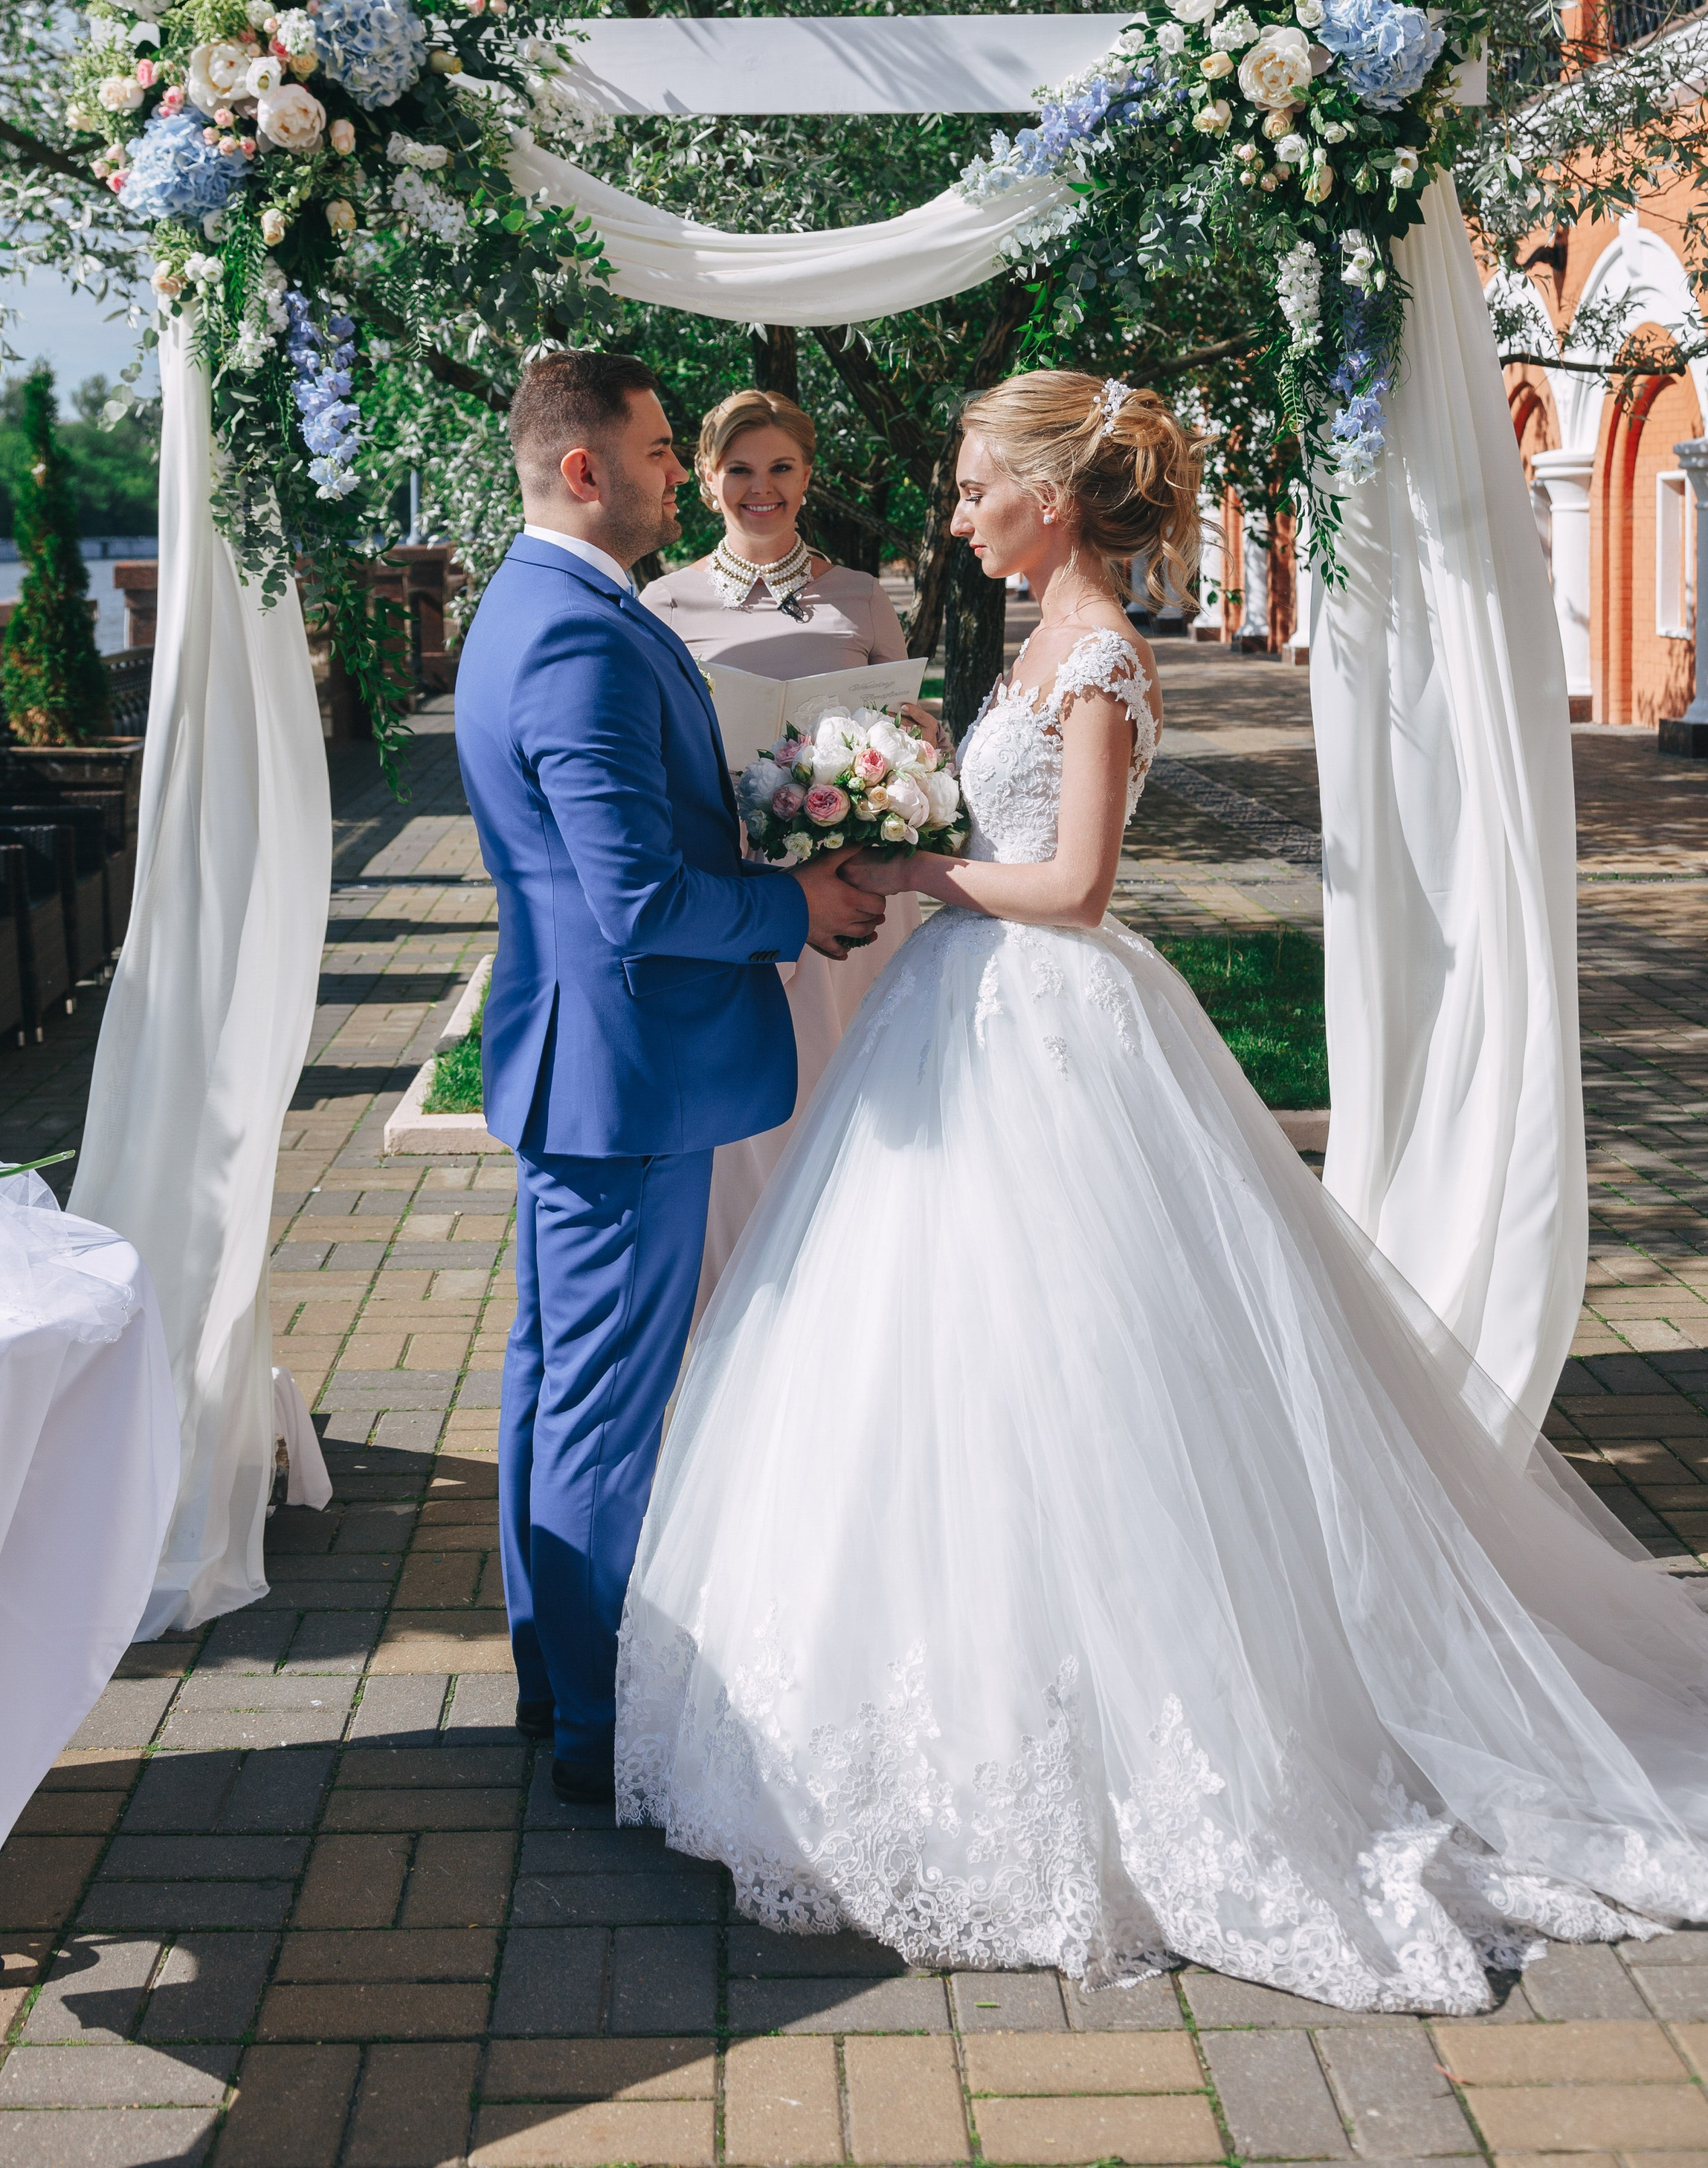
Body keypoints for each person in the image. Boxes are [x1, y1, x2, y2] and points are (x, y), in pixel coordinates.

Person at [616, 367, 1708, 2010]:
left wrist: (915, 865)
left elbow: (1071, 884)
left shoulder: (1103, 656)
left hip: (1046, 1020)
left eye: (981, 482)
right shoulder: (1027, 646)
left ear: (1052, 496)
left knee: (1092, 1360)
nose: (962, 506)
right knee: (939, 1362)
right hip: (962, 1016)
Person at [453, 350, 884, 1803]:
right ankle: (595, 1720)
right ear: (585, 470)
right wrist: (797, 912)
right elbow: (634, 895)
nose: (667, 473)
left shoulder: (539, 602)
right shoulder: (575, 632)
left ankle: (547, 1674)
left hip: (580, 1055)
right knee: (599, 1406)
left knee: (548, 1383)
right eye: (650, 452)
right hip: (623, 1073)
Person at [640, 388, 923, 1310]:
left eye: (781, 469)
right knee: (750, 1107)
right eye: (739, 470)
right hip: (732, 885)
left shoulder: (860, 594)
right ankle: (749, 1301)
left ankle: (853, 1291)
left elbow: (905, 723)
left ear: (807, 475)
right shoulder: (662, 599)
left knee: (854, 1087)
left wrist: (910, 735)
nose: (761, 489)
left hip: (850, 876)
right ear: (710, 480)